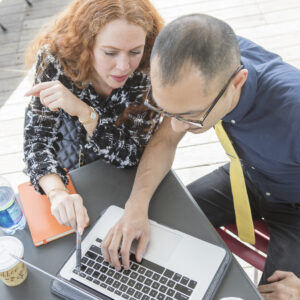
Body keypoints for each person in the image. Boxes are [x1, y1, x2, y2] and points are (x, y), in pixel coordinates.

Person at [100, 13, 300, 298]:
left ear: (237, 82)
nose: (176, 126)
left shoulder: (294, 110)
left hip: (294, 206)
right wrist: (135, 207)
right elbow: (164, 141)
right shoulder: (197, 59)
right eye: (166, 110)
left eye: (190, 116)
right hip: (245, 175)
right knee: (160, 221)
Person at [23, 0, 163, 234]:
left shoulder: (151, 70)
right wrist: (58, 194)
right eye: (110, 52)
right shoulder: (55, 58)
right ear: (85, 44)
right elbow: (37, 138)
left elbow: (131, 156)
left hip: (122, 180)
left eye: (135, 52)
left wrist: (85, 113)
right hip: (62, 167)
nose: (123, 67)